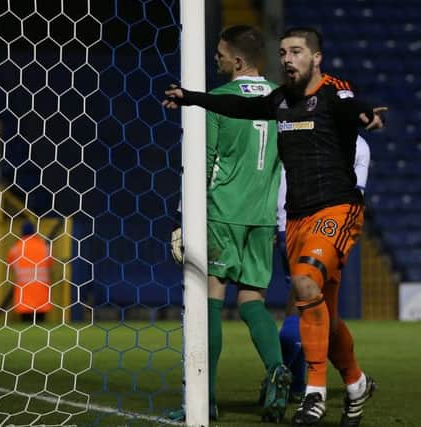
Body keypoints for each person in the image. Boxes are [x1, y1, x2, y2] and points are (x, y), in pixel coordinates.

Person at [164, 26, 386, 426]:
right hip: (288, 216)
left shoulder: (335, 92)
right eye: (282, 52)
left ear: (316, 57)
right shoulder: (279, 99)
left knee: (294, 285)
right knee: (322, 316)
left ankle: (309, 395)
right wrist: (190, 98)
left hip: (330, 209)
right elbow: (241, 109)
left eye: (297, 52)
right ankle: (354, 383)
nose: (288, 59)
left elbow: (352, 106)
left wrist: (367, 115)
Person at [168, 25, 291, 422]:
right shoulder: (280, 99)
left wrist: (188, 221)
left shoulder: (218, 101)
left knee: (211, 301)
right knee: (253, 300)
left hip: (221, 212)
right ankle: (276, 371)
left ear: (238, 61)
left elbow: (204, 164)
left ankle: (206, 396)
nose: (216, 58)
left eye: (221, 54)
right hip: (262, 216)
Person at [274, 135, 371, 403]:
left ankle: (295, 382)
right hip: (324, 229)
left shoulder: (297, 128)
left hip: (286, 225)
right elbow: (356, 194)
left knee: (303, 306)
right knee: (316, 311)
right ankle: (291, 381)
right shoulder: (359, 144)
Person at [6, 221, 53, 323]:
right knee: (40, 322)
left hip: (24, 291)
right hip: (41, 290)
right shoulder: (44, 247)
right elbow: (50, 263)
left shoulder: (16, 248)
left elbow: (10, 264)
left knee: (26, 323)